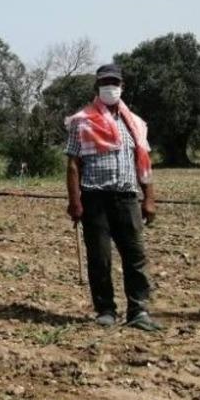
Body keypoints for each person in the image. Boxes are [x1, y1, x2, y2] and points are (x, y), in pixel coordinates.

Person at [65, 64, 162, 331]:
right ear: (97, 87)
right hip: (94, 197)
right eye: (105, 82)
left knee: (135, 256)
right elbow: (73, 164)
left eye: (114, 82)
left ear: (122, 86)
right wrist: (75, 201)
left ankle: (138, 310)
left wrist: (149, 198)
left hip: (127, 197)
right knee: (100, 257)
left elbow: (144, 163)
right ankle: (105, 309)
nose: (110, 87)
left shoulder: (136, 124)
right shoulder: (81, 121)